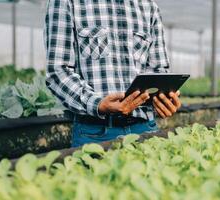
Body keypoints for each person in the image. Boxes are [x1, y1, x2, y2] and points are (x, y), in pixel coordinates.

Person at [44, 0, 181, 147]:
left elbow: (158, 69)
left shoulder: (148, 6)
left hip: (145, 128)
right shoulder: (67, 3)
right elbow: (58, 71)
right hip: (95, 132)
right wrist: (98, 104)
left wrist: (164, 99)